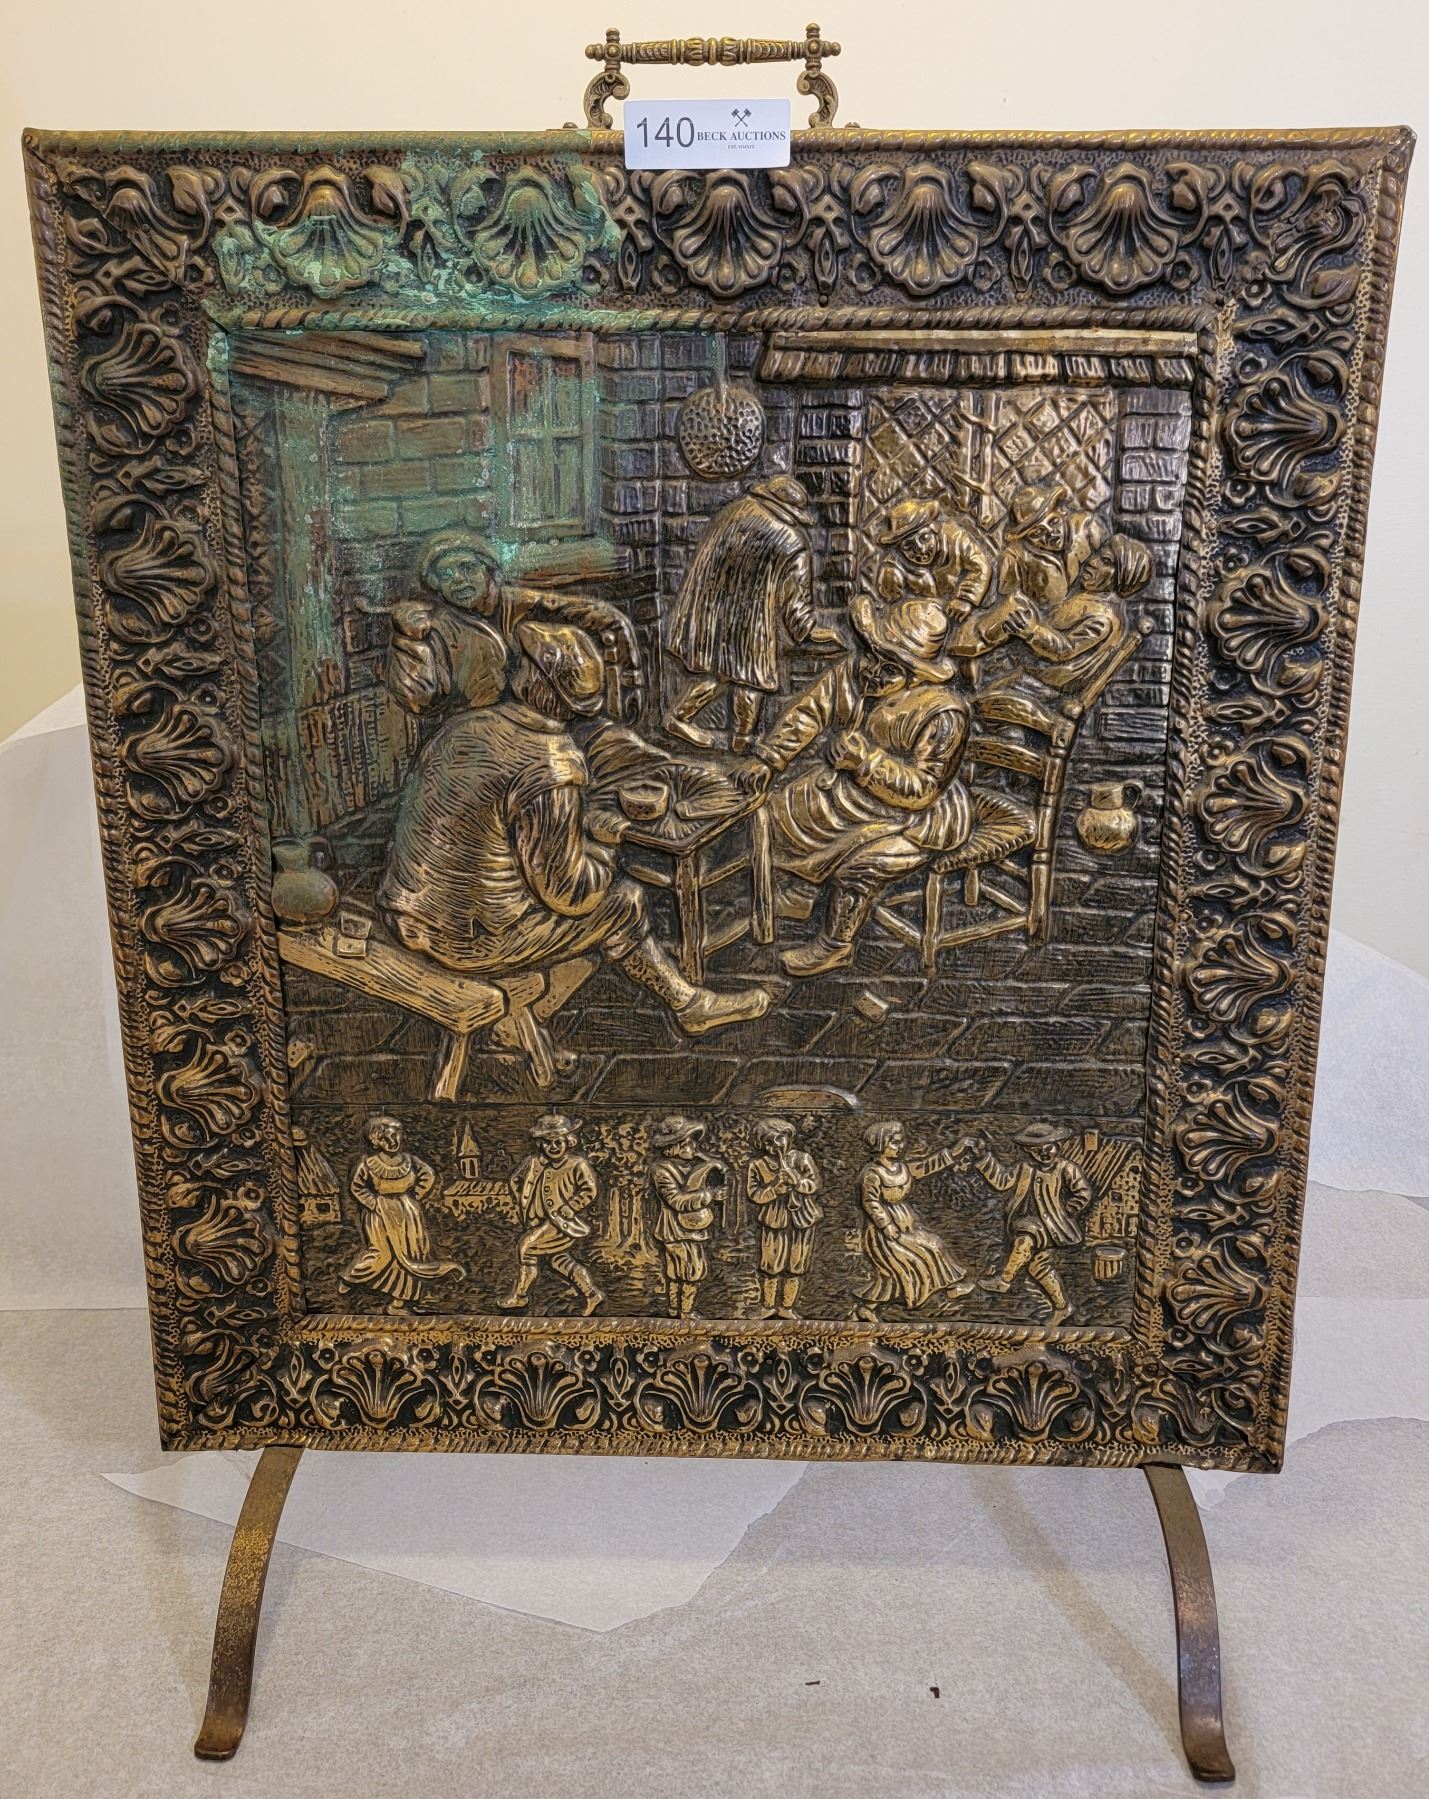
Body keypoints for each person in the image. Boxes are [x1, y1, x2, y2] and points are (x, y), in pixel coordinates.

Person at [379, 620, 770, 1036]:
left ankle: (532, 1020)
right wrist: (603, 842)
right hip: (465, 941)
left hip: (404, 913)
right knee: (624, 902)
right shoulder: (550, 763)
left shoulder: (469, 726)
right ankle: (688, 1005)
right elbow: (570, 894)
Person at [751, 592, 974, 977]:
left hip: (917, 818)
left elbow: (924, 788)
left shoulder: (943, 714)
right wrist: (769, 759)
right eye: (873, 654)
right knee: (785, 807)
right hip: (855, 795)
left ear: (918, 676)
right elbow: (809, 712)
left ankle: (835, 945)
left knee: (862, 864)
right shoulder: (854, 674)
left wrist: (867, 762)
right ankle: (804, 891)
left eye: (891, 668)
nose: (873, 671)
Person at [663, 476, 843, 754]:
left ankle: (679, 717)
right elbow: (795, 606)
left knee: (717, 671)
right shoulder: (791, 541)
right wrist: (812, 633)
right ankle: (743, 739)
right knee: (751, 676)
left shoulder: (733, 513)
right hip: (752, 620)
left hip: (710, 611)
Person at [386, 528, 643, 718]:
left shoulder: (516, 603)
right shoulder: (439, 629)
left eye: (468, 568)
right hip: (479, 735)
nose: (458, 580)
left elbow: (590, 613)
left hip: (548, 720)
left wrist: (631, 675)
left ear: (488, 571)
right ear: (436, 584)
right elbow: (419, 700)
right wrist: (409, 642)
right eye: (445, 574)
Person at [948, 483, 1105, 673]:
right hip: (1043, 633)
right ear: (1025, 537)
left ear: (1062, 511)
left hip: (1086, 620)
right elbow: (1005, 604)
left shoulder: (1087, 527)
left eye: (1053, 521)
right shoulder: (1014, 558)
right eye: (1037, 532)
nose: (1050, 534)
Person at [970, 1121, 1092, 1327]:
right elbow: (1001, 1182)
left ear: (1057, 1145)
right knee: (1032, 1254)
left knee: (1033, 1257)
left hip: (1053, 1225)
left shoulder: (1066, 1168)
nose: (1044, 1154)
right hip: (1028, 1221)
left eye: (1048, 1148)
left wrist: (1071, 1208)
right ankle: (1061, 1306)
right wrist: (983, 1157)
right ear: (1028, 1151)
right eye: (1037, 1150)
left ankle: (1007, 1281)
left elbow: (1083, 1191)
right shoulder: (1024, 1168)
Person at [853, 1121, 974, 1322]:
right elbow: (870, 1202)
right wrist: (886, 1225)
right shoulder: (872, 1174)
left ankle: (951, 1288)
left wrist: (954, 1153)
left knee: (934, 1245)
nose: (900, 1146)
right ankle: (867, 1308)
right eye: (895, 1142)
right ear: (880, 1145)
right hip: (883, 1233)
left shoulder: (902, 1168)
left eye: (901, 1142)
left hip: (906, 1223)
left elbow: (927, 1166)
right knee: (905, 1265)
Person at [340, 1115, 461, 1311]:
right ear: (376, 1141)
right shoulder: (368, 1163)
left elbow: (428, 1175)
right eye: (386, 1138)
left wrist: (414, 1196)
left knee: (413, 1251)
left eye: (395, 1136)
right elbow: (356, 1186)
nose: (392, 1141)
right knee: (381, 1253)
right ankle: (350, 1278)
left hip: (408, 1212)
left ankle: (399, 1302)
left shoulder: (409, 1161)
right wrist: (373, 1203)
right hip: (380, 1213)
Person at [499, 1114, 603, 1315]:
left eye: (558, 1142)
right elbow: (515, 1180)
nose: (553, 1147)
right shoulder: (533, 1161)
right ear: (540, 1143)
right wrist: (523, 1201)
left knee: (526, 1248)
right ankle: (591, 1293)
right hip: (535, 1221)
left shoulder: (576, 1164)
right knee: (559, 1260)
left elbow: (589, 1190)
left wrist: (571, 1206)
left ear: (568, 1141)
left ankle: (520, 1296)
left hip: (559, 1221)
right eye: (547, 1142)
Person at [647, 1115, 729, 1318]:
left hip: (692, 1229)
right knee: (690, 1270)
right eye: (688, 1143)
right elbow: (676, 1200)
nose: (694, 1147)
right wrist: (710, 1195)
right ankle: (684, 1312)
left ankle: (678, 1310)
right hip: (675, 1230)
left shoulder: (692, 1165)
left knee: (683, 1270)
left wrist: (711, 1163)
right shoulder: (661, 1170)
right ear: (674, 1147)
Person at [746, 1118, 823, 1318]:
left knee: (797, 1264)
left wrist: (797, 1182)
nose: (775, 1146)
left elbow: (814, 1184)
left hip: (802, 1219)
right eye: (768, 1143)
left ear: (788, 1137)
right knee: (771, 1264)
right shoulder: (758, 1165)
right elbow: (754, 1194)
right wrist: (775, 1188)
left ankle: (787, 1307)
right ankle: (768, 1306)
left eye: (779, 1139)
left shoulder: (802, 1159)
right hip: (774, 1220)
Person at [871, 496, 993, 620]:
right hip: (922, 620)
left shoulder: (956, 539)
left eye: (924, 538)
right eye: (909, 546)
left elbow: (981, 566)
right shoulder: (893, 567)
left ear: (934, 528)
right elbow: (891, 607)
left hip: (958, 616)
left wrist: (965, 599)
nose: (920, 548)